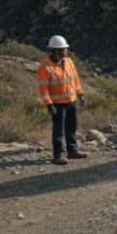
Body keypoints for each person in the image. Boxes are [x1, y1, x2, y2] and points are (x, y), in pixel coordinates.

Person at [37, 35, 88, 165]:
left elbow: (75, 80)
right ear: (54, 50)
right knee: (59, 130)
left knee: (72, 127)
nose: (66, 51)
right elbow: (44, 89)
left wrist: (80, 94)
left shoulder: (69, 62)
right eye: (63, 49)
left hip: (71, 101)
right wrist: (49, 105)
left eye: (65, 49)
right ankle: (57, 155)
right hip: (58, 105)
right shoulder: (45, 67)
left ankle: (72, 151)